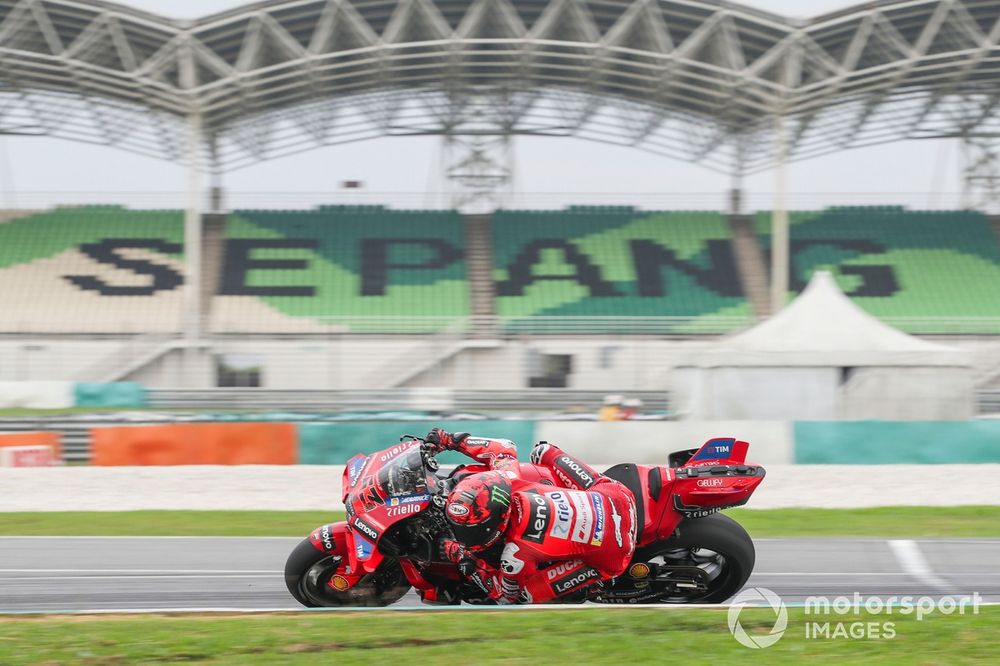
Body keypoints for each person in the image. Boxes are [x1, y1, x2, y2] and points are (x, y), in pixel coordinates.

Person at [424, 428, 637, 604]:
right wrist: (450, 439)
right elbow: (503, 447)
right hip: (617, 496)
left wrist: (460, 555)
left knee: (526, 596)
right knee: (543, 451)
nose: (463, 534)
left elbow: (505, 596)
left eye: (469, 529)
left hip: (615, 555)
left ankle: (593, 584)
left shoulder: (514, 555)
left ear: (493, 523)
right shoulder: (508, 476)